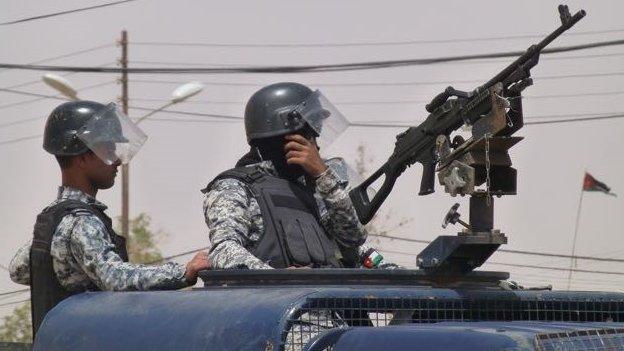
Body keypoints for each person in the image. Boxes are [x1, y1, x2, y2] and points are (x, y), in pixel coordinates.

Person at [8, 101, 210, 335]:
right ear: (81, 157)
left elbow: (19, 270)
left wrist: (70, 273)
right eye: (107, 149)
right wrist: (184, 272)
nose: (117, 160)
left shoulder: (52, 218)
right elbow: (115, 277)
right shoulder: (81, 221)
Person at [202, 82, 369, 269]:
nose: (315, 146)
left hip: (322, 295)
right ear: (288, 138)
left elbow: (353, 239)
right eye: (309, 136)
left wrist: (323, 176)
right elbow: (223, 250)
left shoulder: (311, 187)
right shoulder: (235, 187)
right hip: (270, 297)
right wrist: (278, 277)